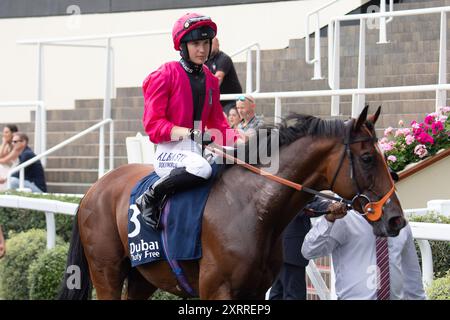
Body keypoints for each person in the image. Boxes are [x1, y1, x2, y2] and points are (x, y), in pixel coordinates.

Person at [135, 13, 238, 229]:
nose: (202, 50)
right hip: (169, 153)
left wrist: (242, 140)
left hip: (197, 149)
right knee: (201, 168)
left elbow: (218, 123)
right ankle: (150, 197)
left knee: (244, 155)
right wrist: (190, 133)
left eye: (206, 43)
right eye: (195, 44)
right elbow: (153, 126)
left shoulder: (210, 79)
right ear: (183, 46)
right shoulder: (165, 74)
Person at [301, 207, 426, 300]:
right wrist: (328, 220)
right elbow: (308, 251)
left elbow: (412, 275)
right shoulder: (344, 219)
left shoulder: (400, 222)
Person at [269, 197, 345, 300]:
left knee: (277, 294)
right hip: (291, 254)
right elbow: (311, 206)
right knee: (294, 295)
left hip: (279, 251)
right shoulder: (295, 196)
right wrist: (330, 206)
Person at [205, 37, 243, 115]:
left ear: (218, 45)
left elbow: (218, 78)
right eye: (208, 44)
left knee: (227, 117)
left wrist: (207, 95)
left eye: (212, 44)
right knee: (199, 114)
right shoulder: (205, 61)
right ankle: (197, 127)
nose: (209, 46)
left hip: (231, 100)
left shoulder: (224, 58)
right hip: (218, 100)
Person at [0, 124, 19, 190]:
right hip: (8, 169)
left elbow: (4, 160)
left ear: (13, 133)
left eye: (6, 132)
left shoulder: (16, 144)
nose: (4, 134)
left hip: (14, 171)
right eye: (4, 132)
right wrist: (4, 143)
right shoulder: (7, 145)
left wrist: (4, 143)